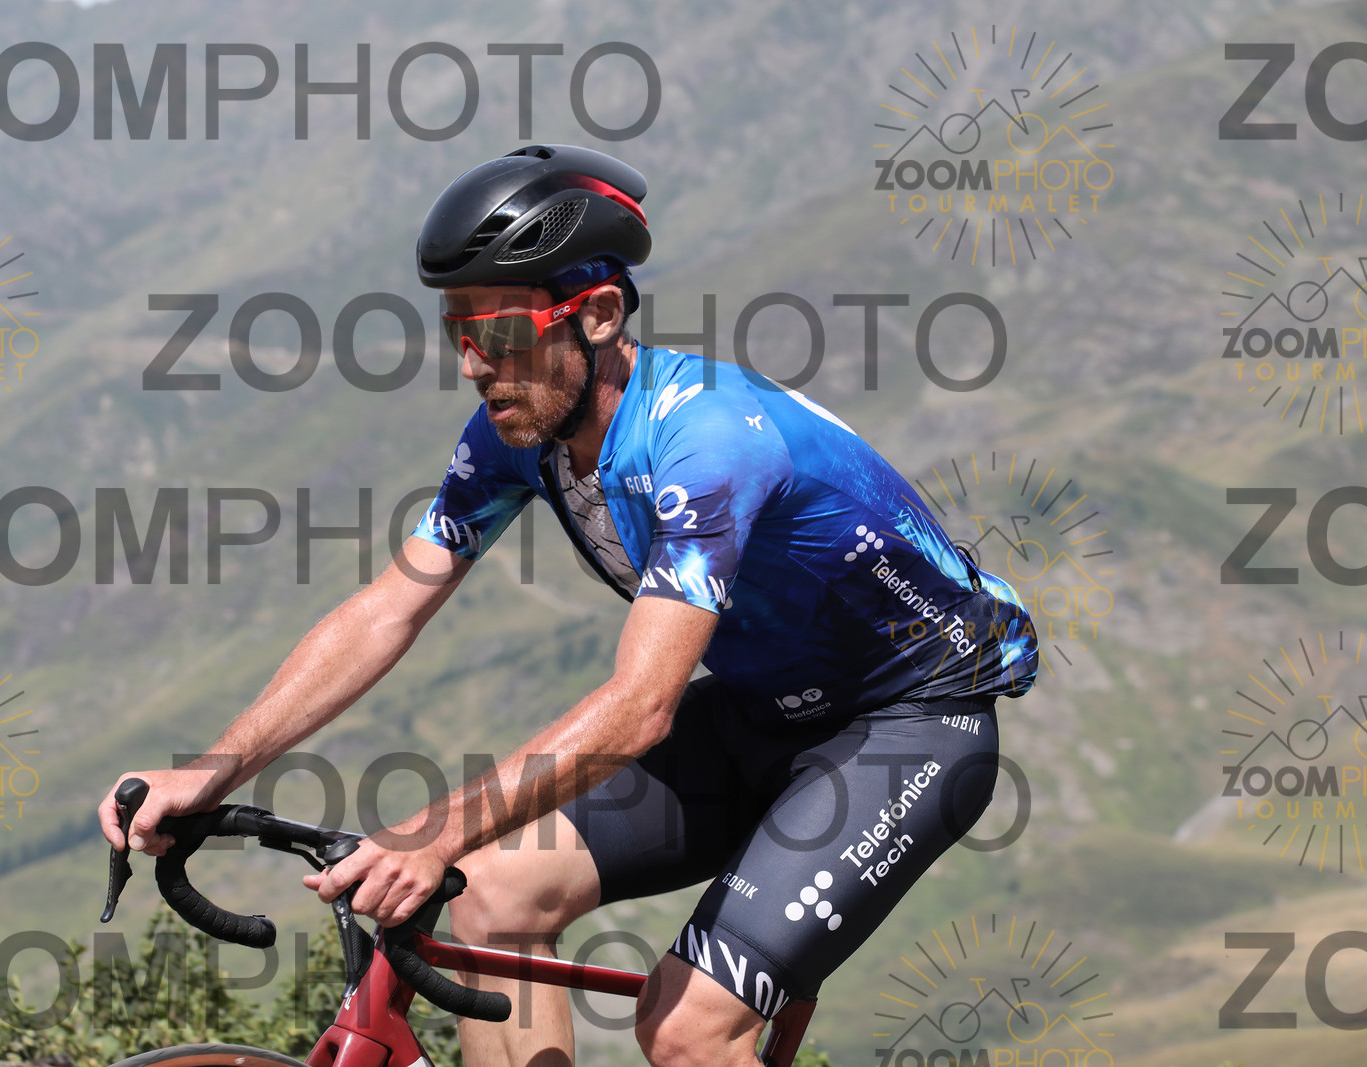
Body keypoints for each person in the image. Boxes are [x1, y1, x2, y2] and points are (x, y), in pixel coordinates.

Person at [100, 144, 1039, 1067]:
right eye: (459, 335)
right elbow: (389, 609)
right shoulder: (516, 434)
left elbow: (641, 706)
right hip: (758, 716)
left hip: (906, 729)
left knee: (687, 1028)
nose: (477, 366)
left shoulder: (707, 440)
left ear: (597, 314)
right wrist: (210, 771)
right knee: (492, 895)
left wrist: (436, 831)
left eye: (501, 334)